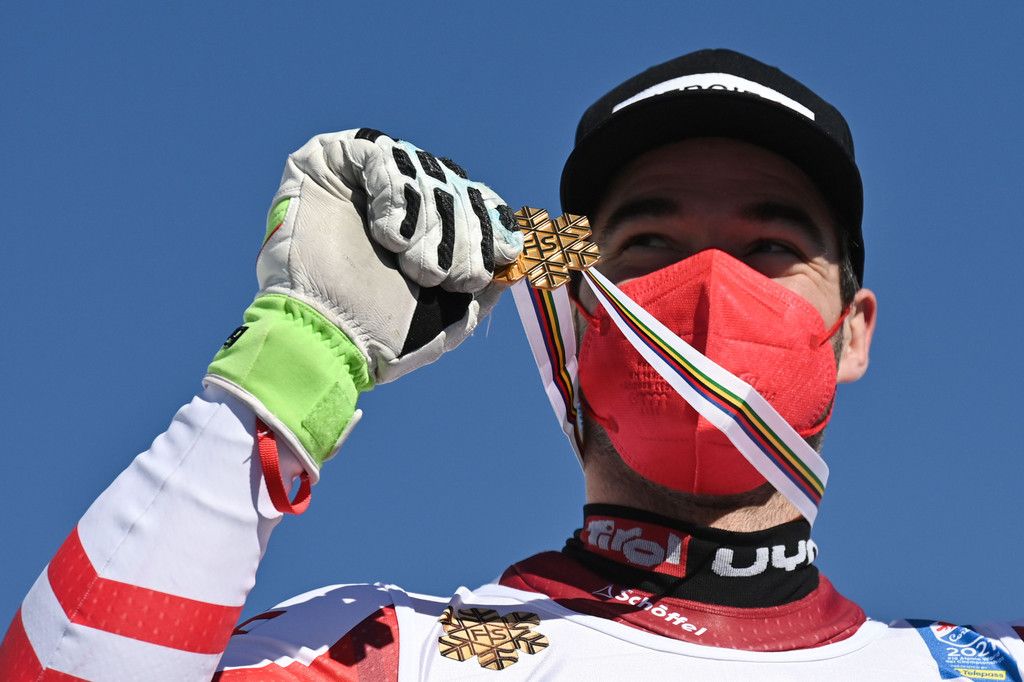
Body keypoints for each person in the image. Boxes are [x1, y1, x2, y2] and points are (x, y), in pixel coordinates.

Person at [1, 48, 1021, 681]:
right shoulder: (395, 650)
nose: (711, 287)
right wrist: (296, 356)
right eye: (649, 246)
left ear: (852, 330)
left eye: (769, 248)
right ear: (571, 315)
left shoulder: (982, 667)